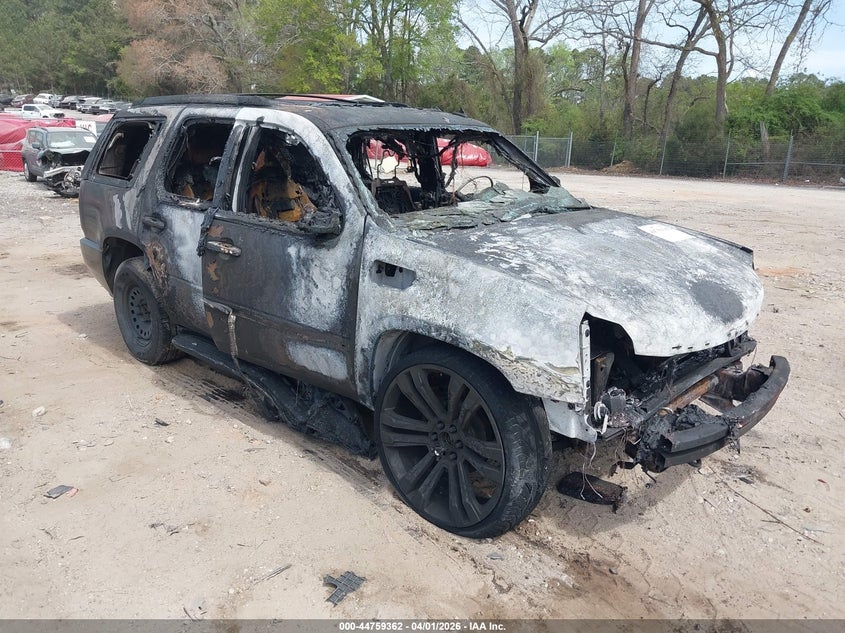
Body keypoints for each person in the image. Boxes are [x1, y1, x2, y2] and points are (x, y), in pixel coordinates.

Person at [247, 140, 317, 222]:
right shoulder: (258, 188)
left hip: (298, 228)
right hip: (272, 230)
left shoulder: (294, 187)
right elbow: (248, 217)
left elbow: (312, 210)